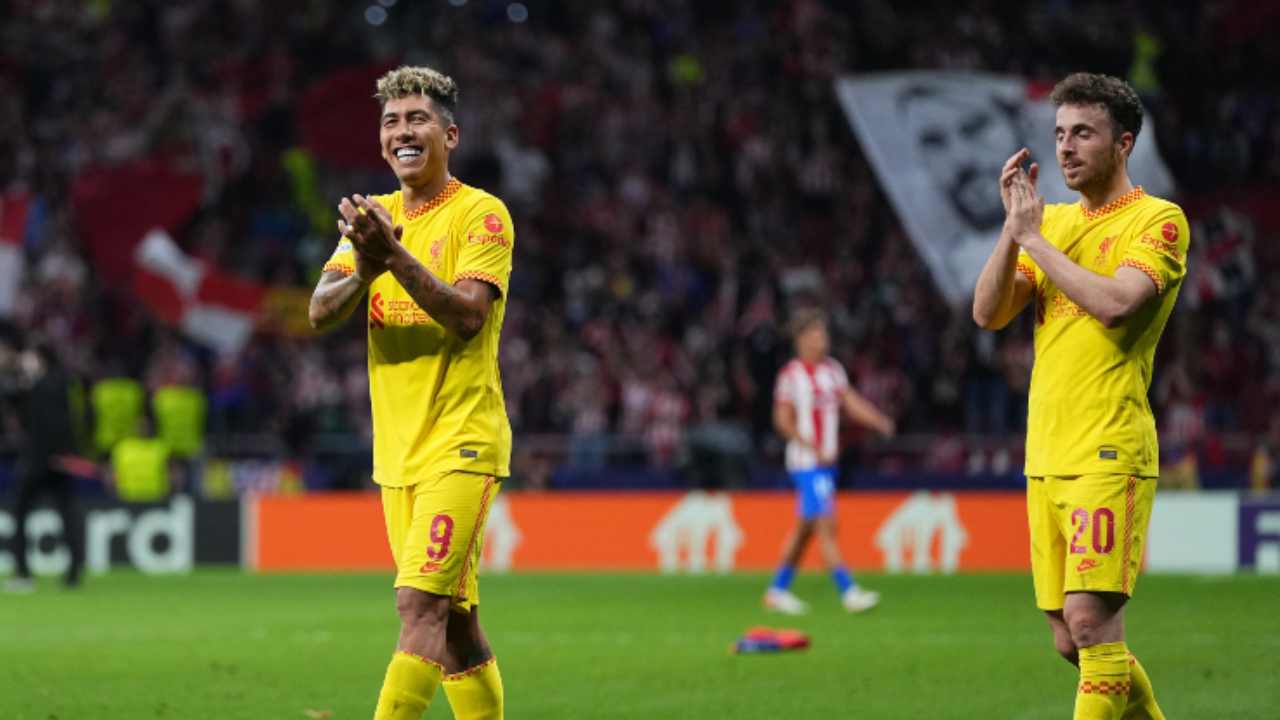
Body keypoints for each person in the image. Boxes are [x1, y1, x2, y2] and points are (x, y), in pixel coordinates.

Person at [972, 72, 1186, 720]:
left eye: (1082, 134)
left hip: (1106, 447)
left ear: (1123, 144)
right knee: (1072, 639)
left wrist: (1036, 240)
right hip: (1047, 449)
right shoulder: (1053, 222)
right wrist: (1015, 230)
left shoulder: (1159, 220)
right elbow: (988, 313)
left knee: (1092, 623)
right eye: (1059, 134)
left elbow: (1118, 304)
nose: (1064, 148)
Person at [308, 65, 514, 720]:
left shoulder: (481, 214)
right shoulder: (372, 222)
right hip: (398, 457)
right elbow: (320, 310)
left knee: (417, 607)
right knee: (454, 629)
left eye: (417, 119)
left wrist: (393, 259)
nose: (403, 131)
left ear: (449, 135)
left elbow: (468, 316)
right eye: (392, 121)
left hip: (462, 444)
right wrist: (368, 263)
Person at [762, 308, 895, 614]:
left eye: (824, 333)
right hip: (807, 463)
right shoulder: (791, 376)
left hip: (827, 463)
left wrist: (878, 421)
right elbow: (782, 419)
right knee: (827, 524)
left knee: (804, 529)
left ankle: (777, 590)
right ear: (801, 340)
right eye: (816, 334)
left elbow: (851, 402)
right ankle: (849, 591)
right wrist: (810, 444)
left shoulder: (833, 370)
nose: (823, 340)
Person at [1, 339, 84, 591]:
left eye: (32, 356)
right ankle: (72, 573)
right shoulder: (56, 382)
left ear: (41, 358)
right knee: (66, 512)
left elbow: (52, 422)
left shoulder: (47, 383)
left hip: (42, 460)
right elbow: (16, 400)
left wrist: (56, 454)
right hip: (55, 459)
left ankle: (24, 573)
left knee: (22, 512)